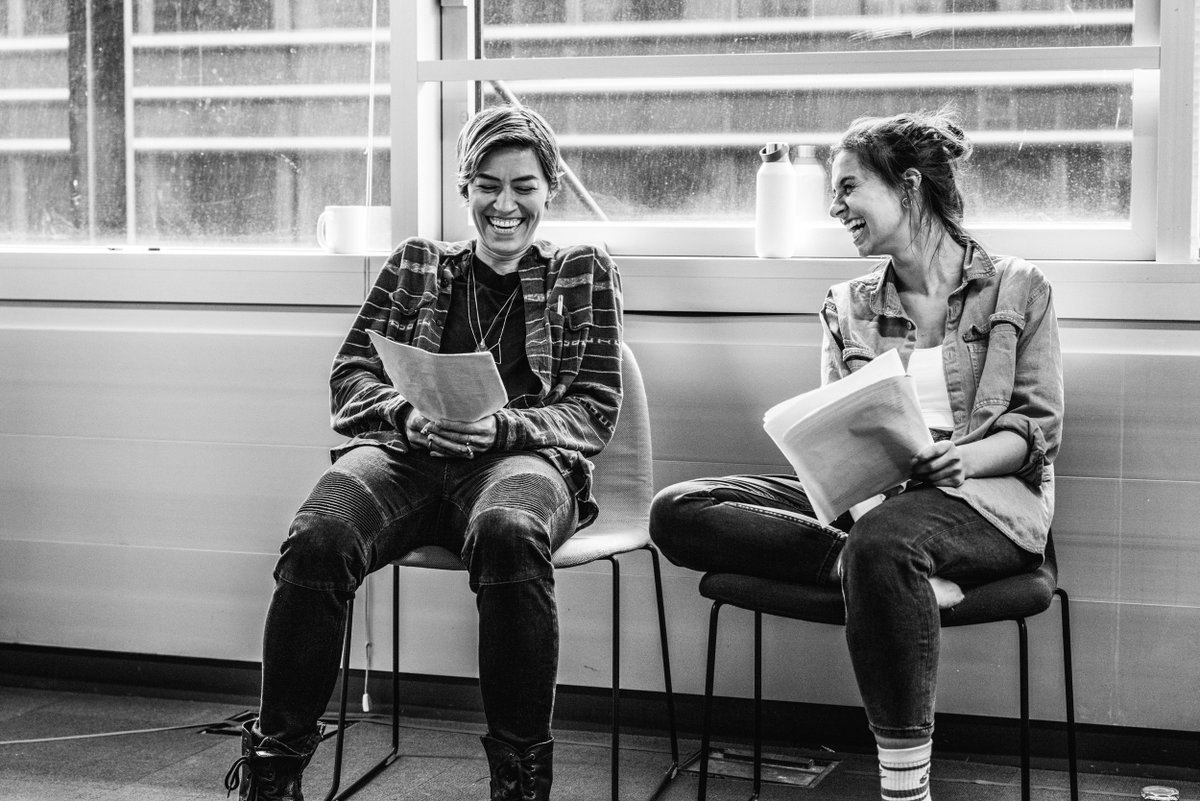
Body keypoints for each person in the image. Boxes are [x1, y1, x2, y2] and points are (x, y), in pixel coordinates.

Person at [649, 109, 1063, 801]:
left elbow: (1037, 427)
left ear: (906, 187)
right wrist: (861, 486)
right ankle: (870, 569)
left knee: (884, 541)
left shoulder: (1019, 287)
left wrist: (962, 461)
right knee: (679, 509)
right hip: (876, 503)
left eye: (847, 188)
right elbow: (840, 430)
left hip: (988, 500)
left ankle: (904, 789)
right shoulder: (846, 305)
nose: (834, 208)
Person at [224, 104, 623, 801]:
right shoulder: (416, 262)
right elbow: (350, 376)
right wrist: (409, 415)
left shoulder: (580, 271)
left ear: (549, 187)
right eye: (487, 184)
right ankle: (274, 769)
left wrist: (501, 430)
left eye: (523, 185)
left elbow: (593, 409)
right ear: (465, 187)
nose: (505, 204)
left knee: (510, 531)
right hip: (406, 453)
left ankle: (521, 780)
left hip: (518, 463)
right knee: (318, 536)